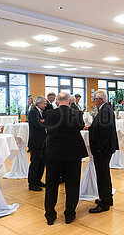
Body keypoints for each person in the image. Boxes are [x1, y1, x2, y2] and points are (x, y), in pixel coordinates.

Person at [44, 92, 88, 225]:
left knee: (51, 185)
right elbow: (81, 127)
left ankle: (50, 215)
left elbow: (48, 129)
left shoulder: (50, 114)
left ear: (57, 101)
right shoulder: (76, 114)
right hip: (72, 153)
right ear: (69, 101)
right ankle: (69, 214)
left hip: (53, 153)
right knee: (72, 184)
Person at [88, 90, 119, 213]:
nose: (93, 101)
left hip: (103, 149)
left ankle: (104, 203)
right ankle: (107, 198)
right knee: (104, 174)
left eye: (94, 99)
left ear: (100, 99)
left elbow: (104, 132)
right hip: (105, 148)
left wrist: (99, 147)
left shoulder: (105, 110)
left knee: (102, 175)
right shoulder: (105, 109)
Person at [27, 95, 47, 191]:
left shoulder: (41, 112)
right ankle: (32, 184)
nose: (45, 105)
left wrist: (43, 121)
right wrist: (44, 122)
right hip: (35, 142)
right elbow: (38, 125)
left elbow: (42, 122)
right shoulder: (33, 112)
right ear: (38, 103)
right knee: (35, 163)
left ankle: (38, 180)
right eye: (44, 103)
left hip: (42, 142)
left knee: (41, 163)